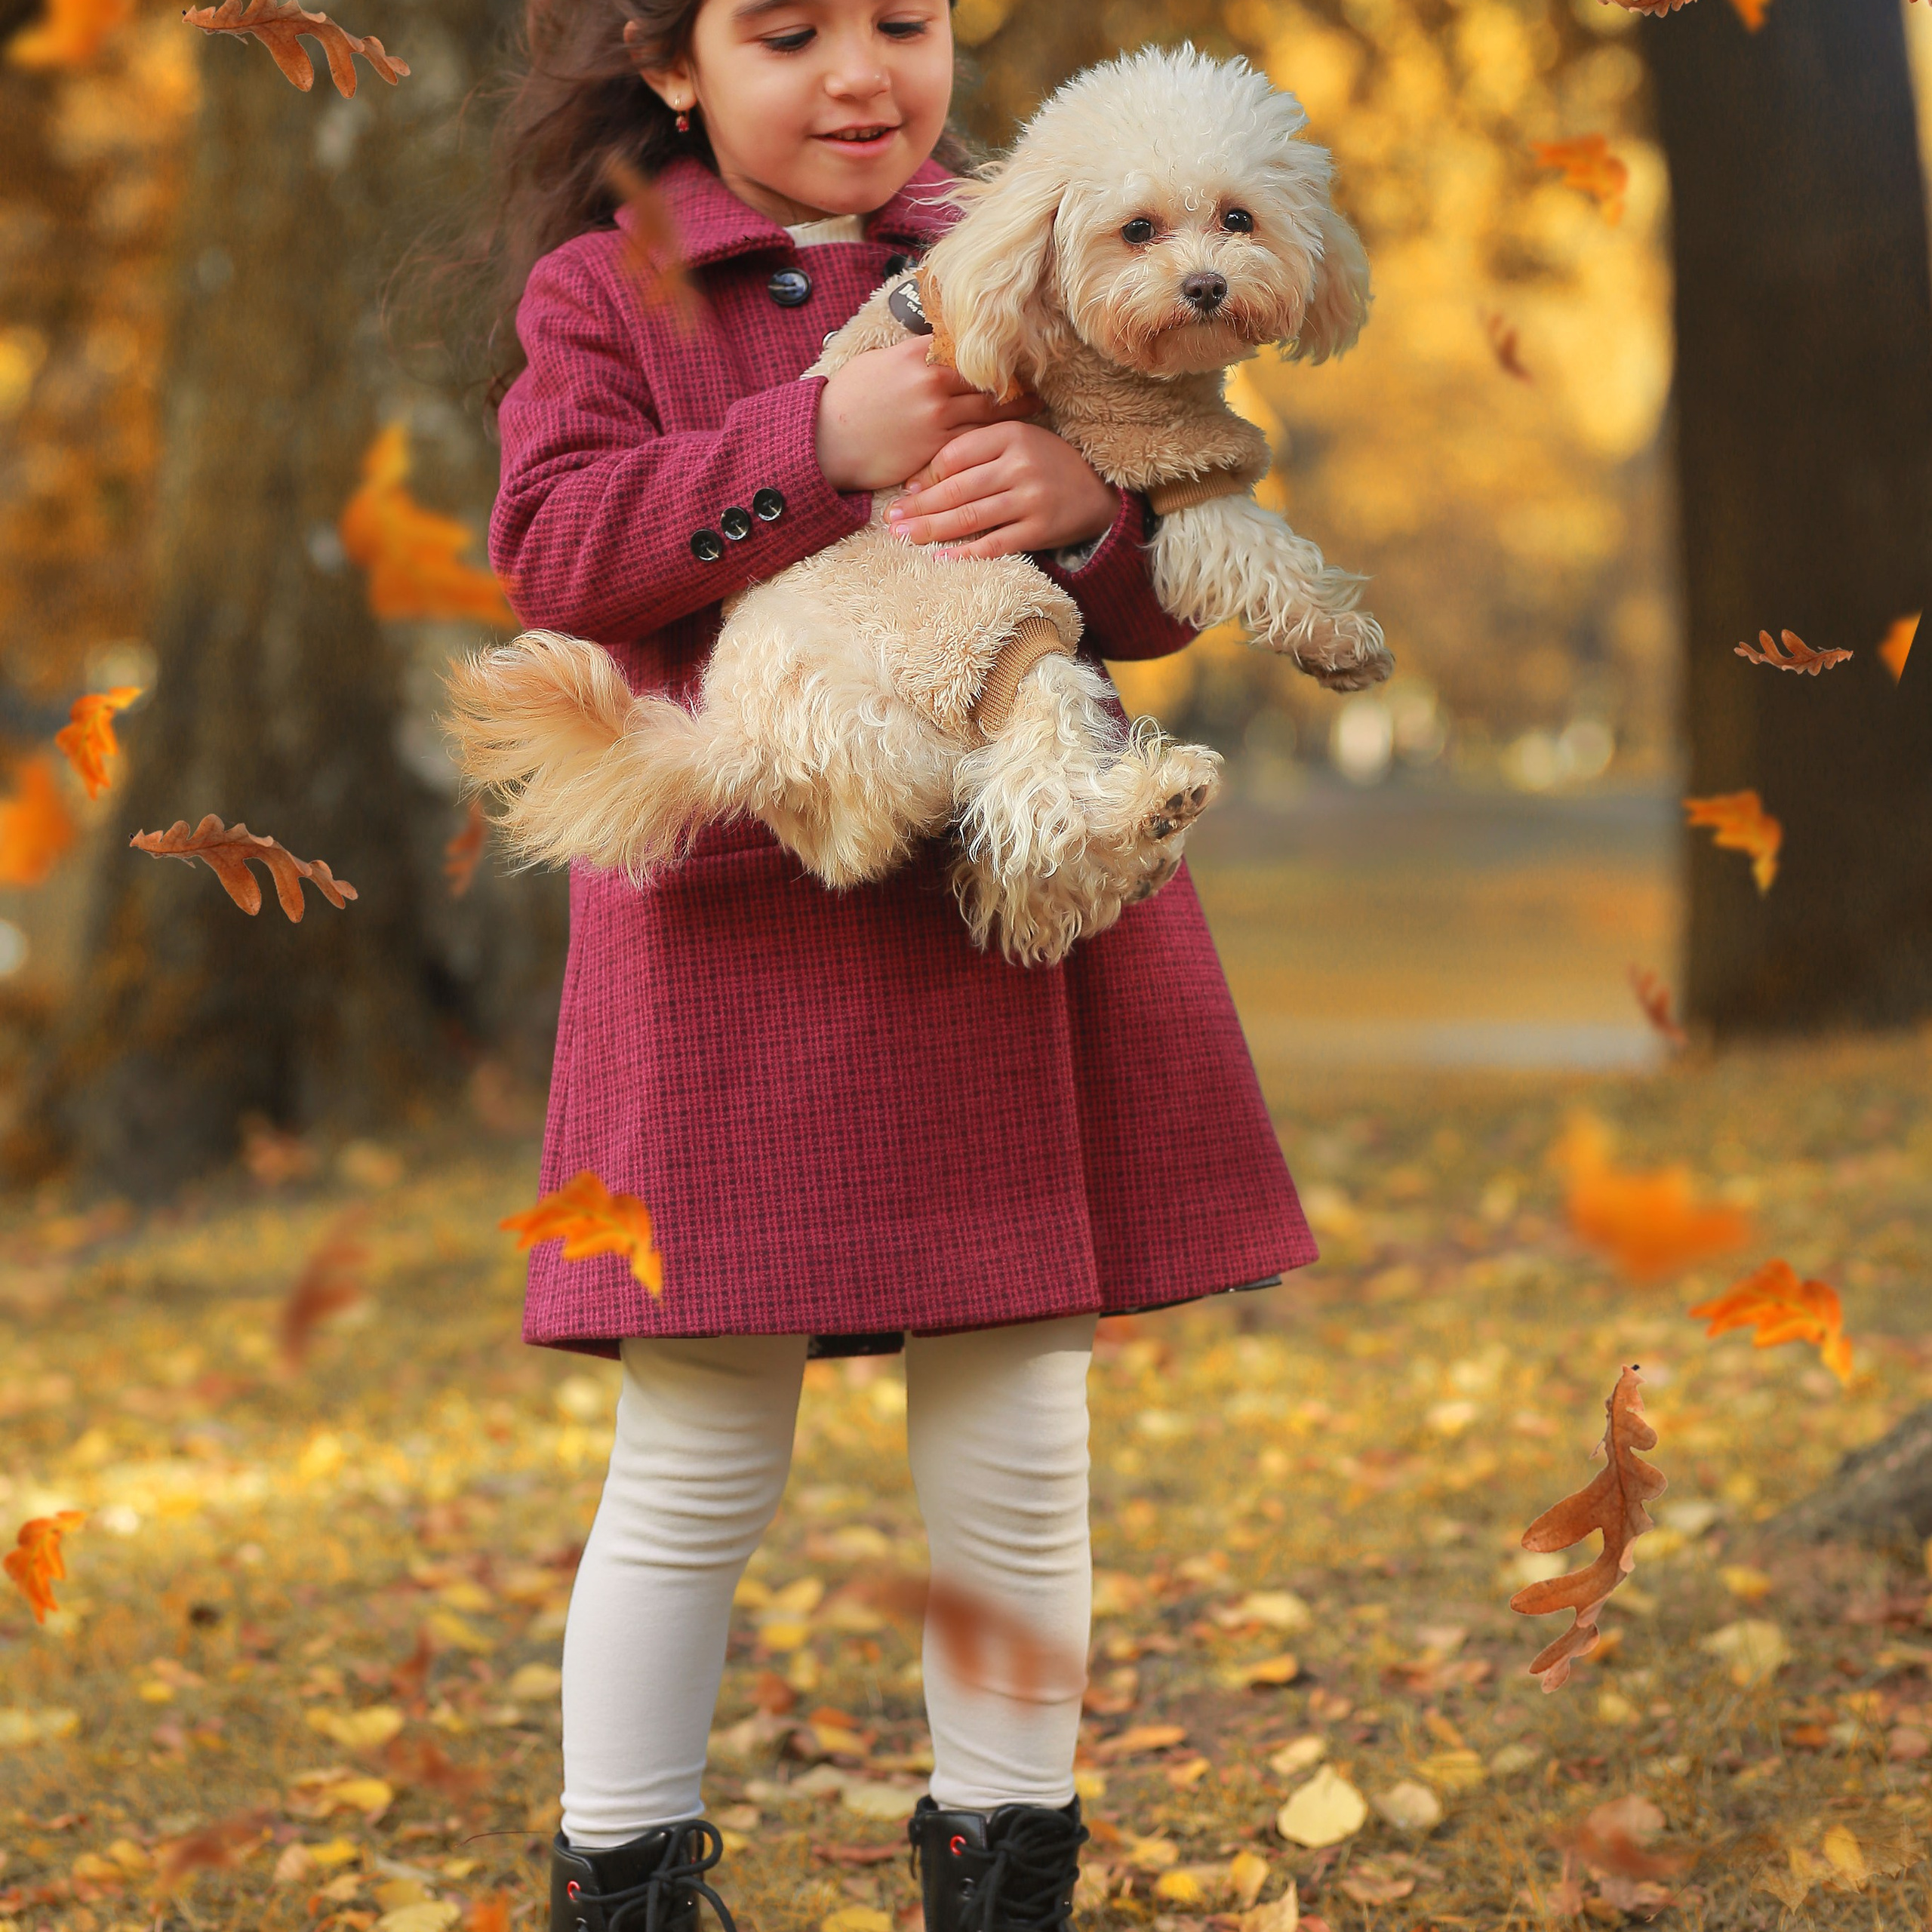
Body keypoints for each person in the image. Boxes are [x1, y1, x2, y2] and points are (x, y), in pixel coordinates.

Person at [474, 3, 1315, 1928]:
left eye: (903, 21)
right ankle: (624, 1871)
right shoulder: (612, 289)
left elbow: (1164, 524)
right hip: (741, 919)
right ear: (671, 66)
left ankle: (1004, 1867)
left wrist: (1089, 521)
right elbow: (552, 545)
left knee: (1021, 1433)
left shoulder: (1036, 234)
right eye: (788, 31)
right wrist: (809, 442)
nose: (861, 72)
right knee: (695, 1446)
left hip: (1001, 911)